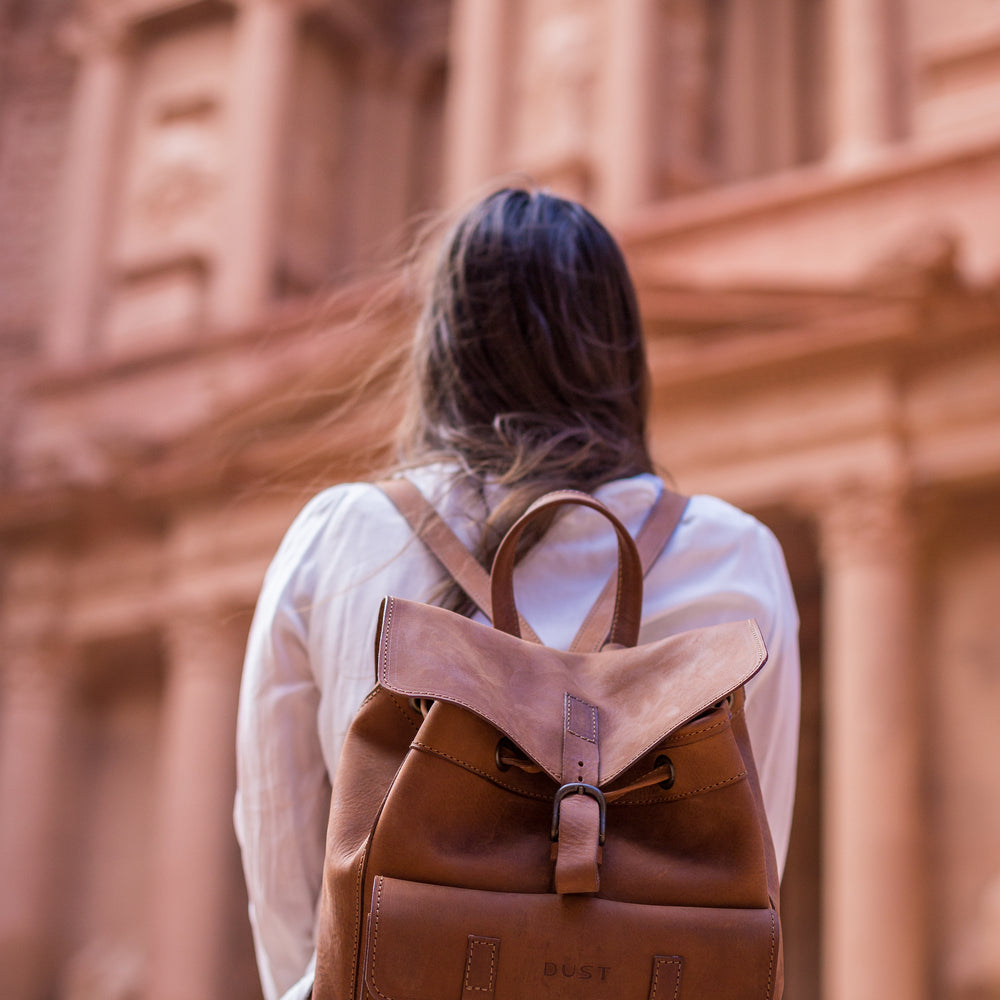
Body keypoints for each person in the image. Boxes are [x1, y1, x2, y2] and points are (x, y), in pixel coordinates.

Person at [234, 187, 800, 1000]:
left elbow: (278, 833)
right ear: (621, 354)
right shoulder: (735, 556)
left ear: (443, 346)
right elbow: (752, 850)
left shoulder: (340, 535)